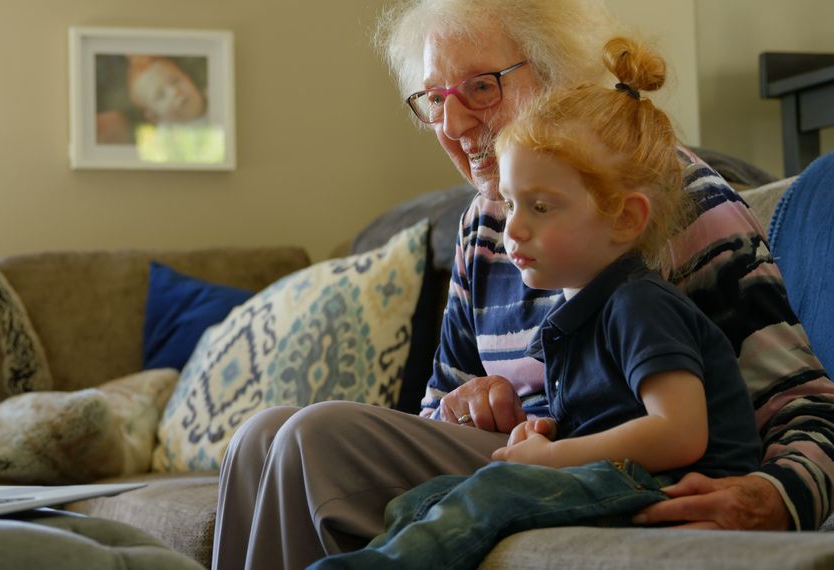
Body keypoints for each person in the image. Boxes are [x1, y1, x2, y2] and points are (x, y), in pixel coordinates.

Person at [212, 1, 834, 569]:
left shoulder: (665, 198)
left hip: (602, 472)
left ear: (555, 74)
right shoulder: (485, 221)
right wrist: (470, 402)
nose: (452, 123)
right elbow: (437, 405)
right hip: (524, 458)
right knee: (258, 437)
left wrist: (780, 496)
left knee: (310, 441)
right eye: (434, 98)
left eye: (481, 87)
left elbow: (804, 398)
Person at [307, 36, 762, 569]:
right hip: (618, 473)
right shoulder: (577, 313)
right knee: (420, 502)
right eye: (512, 203)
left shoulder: (639, 305)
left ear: (626, 219)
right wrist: (538, 429)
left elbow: (680, 433)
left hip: (675, 486)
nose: (513, 228)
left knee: (490, 494)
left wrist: (551, 457)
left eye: (541, 207)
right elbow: (596, 415)